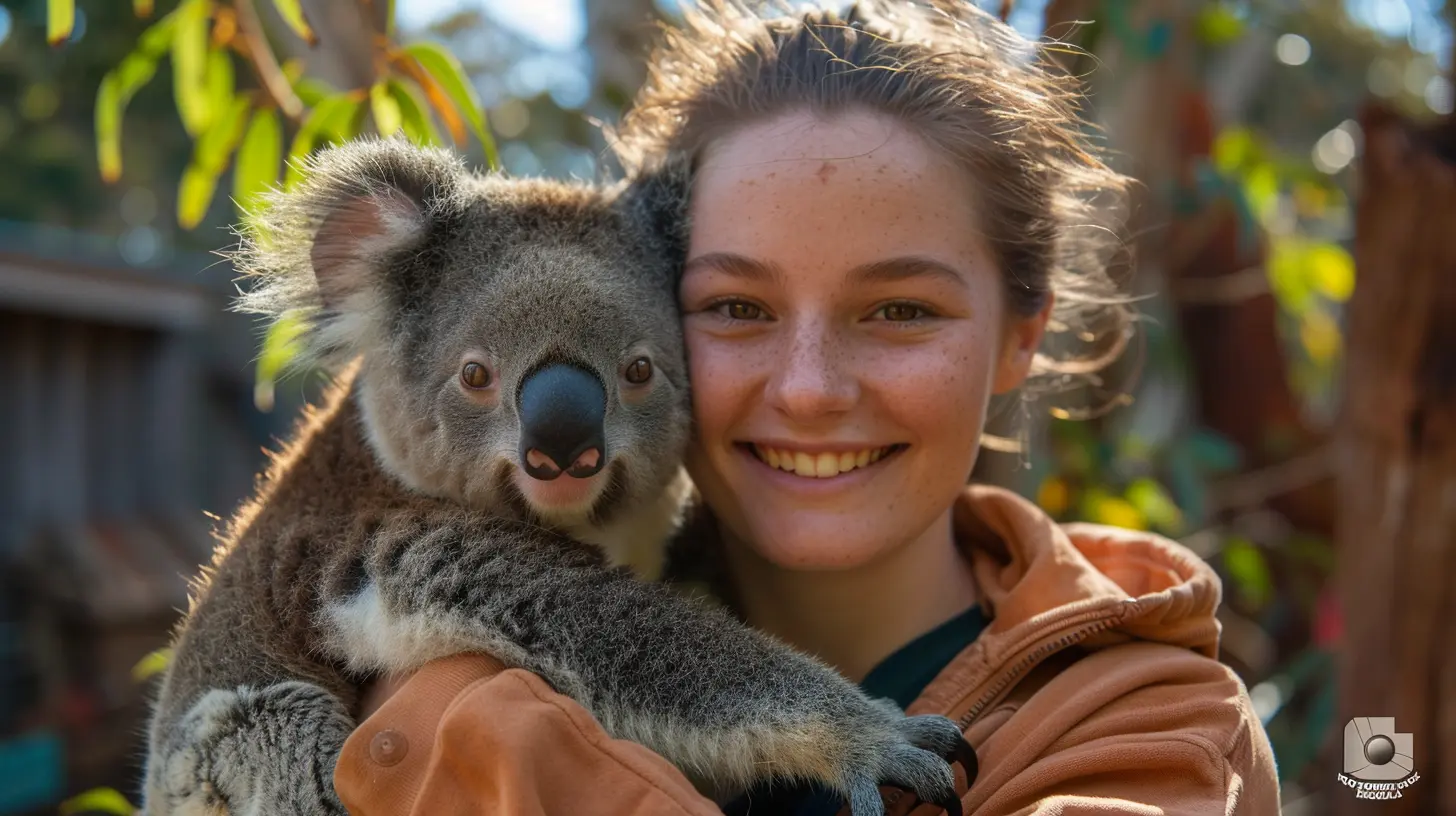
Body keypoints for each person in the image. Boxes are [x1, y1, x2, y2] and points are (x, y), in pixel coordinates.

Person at [332, 2, 1281, 813]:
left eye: (901, 310)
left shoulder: (1153, 724)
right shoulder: (389, 598)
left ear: (1022, 334)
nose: (810, 389)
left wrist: (441, 722)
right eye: (735, 309)